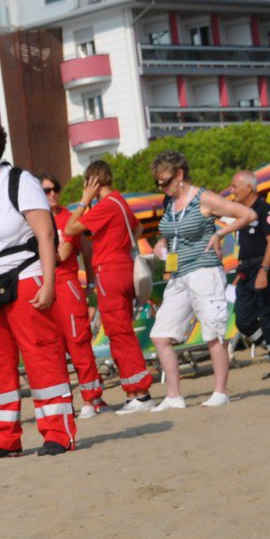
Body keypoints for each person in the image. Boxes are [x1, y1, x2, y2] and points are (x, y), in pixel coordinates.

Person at [0, 117, 75, 459]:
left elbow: (45, 234)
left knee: (41, 354)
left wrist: (48, 281)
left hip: (24, 276)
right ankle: (5, 437)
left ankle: (57, 432)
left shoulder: (20, 181)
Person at [146, 152, 254, 410]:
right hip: (179, 274)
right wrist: (162, 243)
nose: (162, 187)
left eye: (165, 181)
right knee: (160, 335)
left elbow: (246, 214)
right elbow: (170, 233)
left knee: (213, 333)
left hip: (205, 272)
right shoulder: (169, 202)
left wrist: (220, 234)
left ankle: (220, 391)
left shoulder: (203, 198)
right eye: (158, 183)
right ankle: (174, 396)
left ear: (180, 175)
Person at [64, 162, 155, 414]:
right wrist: (119, 242)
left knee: (119, 334)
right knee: (124, 330)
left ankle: (139, 392)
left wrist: (84, 201)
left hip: (110, 271)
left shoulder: (105, 205)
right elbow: (137, 228)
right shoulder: (121, 202)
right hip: (125, 267)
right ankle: (137, 391)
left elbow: (70, 228)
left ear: (92, 181)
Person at [45, 172, 108, 416]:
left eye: (54, 189)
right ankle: (64, 402)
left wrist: (91, 284)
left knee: (78, 342)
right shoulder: (32, 220)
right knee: (53, 349)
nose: (50, 194)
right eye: (45, 191)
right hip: (45, 287)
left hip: (66, 282)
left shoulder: (68, 218)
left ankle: (92, 399)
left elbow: (66, 252)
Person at [229, 171, 270, 378]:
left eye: (235, 186)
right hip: (246, 270)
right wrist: (240, 271)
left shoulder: (265, 210)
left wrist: (264, 271)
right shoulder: (242, 213)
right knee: (243, 319)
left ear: (248, 188)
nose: (232, 191)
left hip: (264, 268)